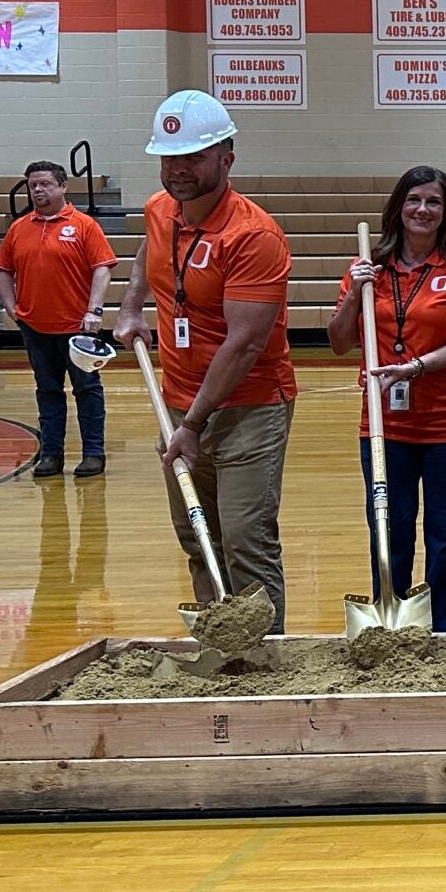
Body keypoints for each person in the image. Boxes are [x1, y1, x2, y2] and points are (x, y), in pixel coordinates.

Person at [110, 91, 297, 624]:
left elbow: (245, 344)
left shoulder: (253, 235)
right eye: (169, 157)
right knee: (197, 535)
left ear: (225, 158)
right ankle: (220, 647)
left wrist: (191, 424)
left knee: (244, 542)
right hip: (177, 402)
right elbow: (149, 249)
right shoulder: (159, 209)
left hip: (248, 410)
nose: (178, 170)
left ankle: (266, 658)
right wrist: (130, 308)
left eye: (193, 156)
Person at [329, 167, 446, 632]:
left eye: (434, 202)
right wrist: (352, 296)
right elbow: (340, 342)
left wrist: (415, 367)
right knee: (389, 530)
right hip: (385, 426)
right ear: (398, 208)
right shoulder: (367, 268)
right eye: (414, 200)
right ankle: (390, 627)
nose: (423, 210)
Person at [0, 159, 117, 480]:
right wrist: (12, 309)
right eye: (32, 185)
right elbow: (3, 271)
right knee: (47, 391)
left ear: (63, 186)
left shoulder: (84, 225)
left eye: (45, 183)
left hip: (78, 328)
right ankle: (51, 455)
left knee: (87, 390)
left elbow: (102, 268)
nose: (37, 190)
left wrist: (95, 310)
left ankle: (93, 453)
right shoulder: (19, 228)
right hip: (35, 328)